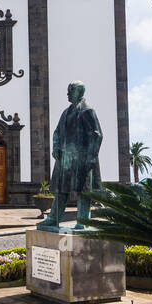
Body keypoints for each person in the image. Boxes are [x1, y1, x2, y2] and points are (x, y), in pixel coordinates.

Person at [40, 80, 102, 229]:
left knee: (83, 191)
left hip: (82, 158)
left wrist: (91, 157)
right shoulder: (66, 112)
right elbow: (56, 132)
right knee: (61, 191)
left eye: (70, 91)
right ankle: (53, 219)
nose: (67, 94)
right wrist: (55, 148)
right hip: (65, 158)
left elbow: (97, 135)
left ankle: (83, 221)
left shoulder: (87, 111)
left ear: (79, 93)